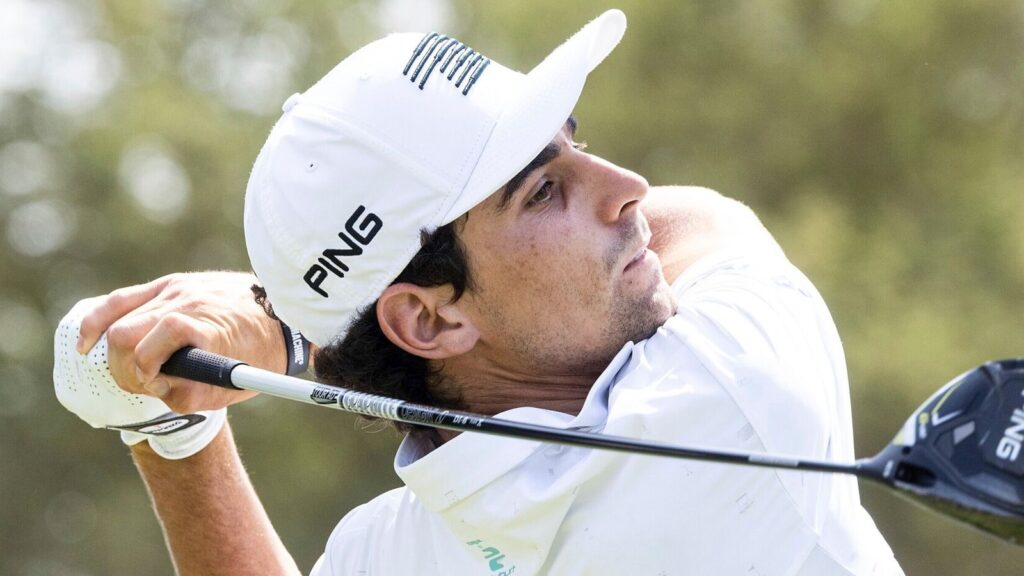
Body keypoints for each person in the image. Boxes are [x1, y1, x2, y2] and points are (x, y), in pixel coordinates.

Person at [54, 9, 904, 575]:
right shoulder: (733, 388)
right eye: (543, 190)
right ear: (427, 317)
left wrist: (172, 428)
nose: (627, 185)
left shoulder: (391, 550)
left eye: (576, 148)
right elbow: (705, 221)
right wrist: (278, 327)